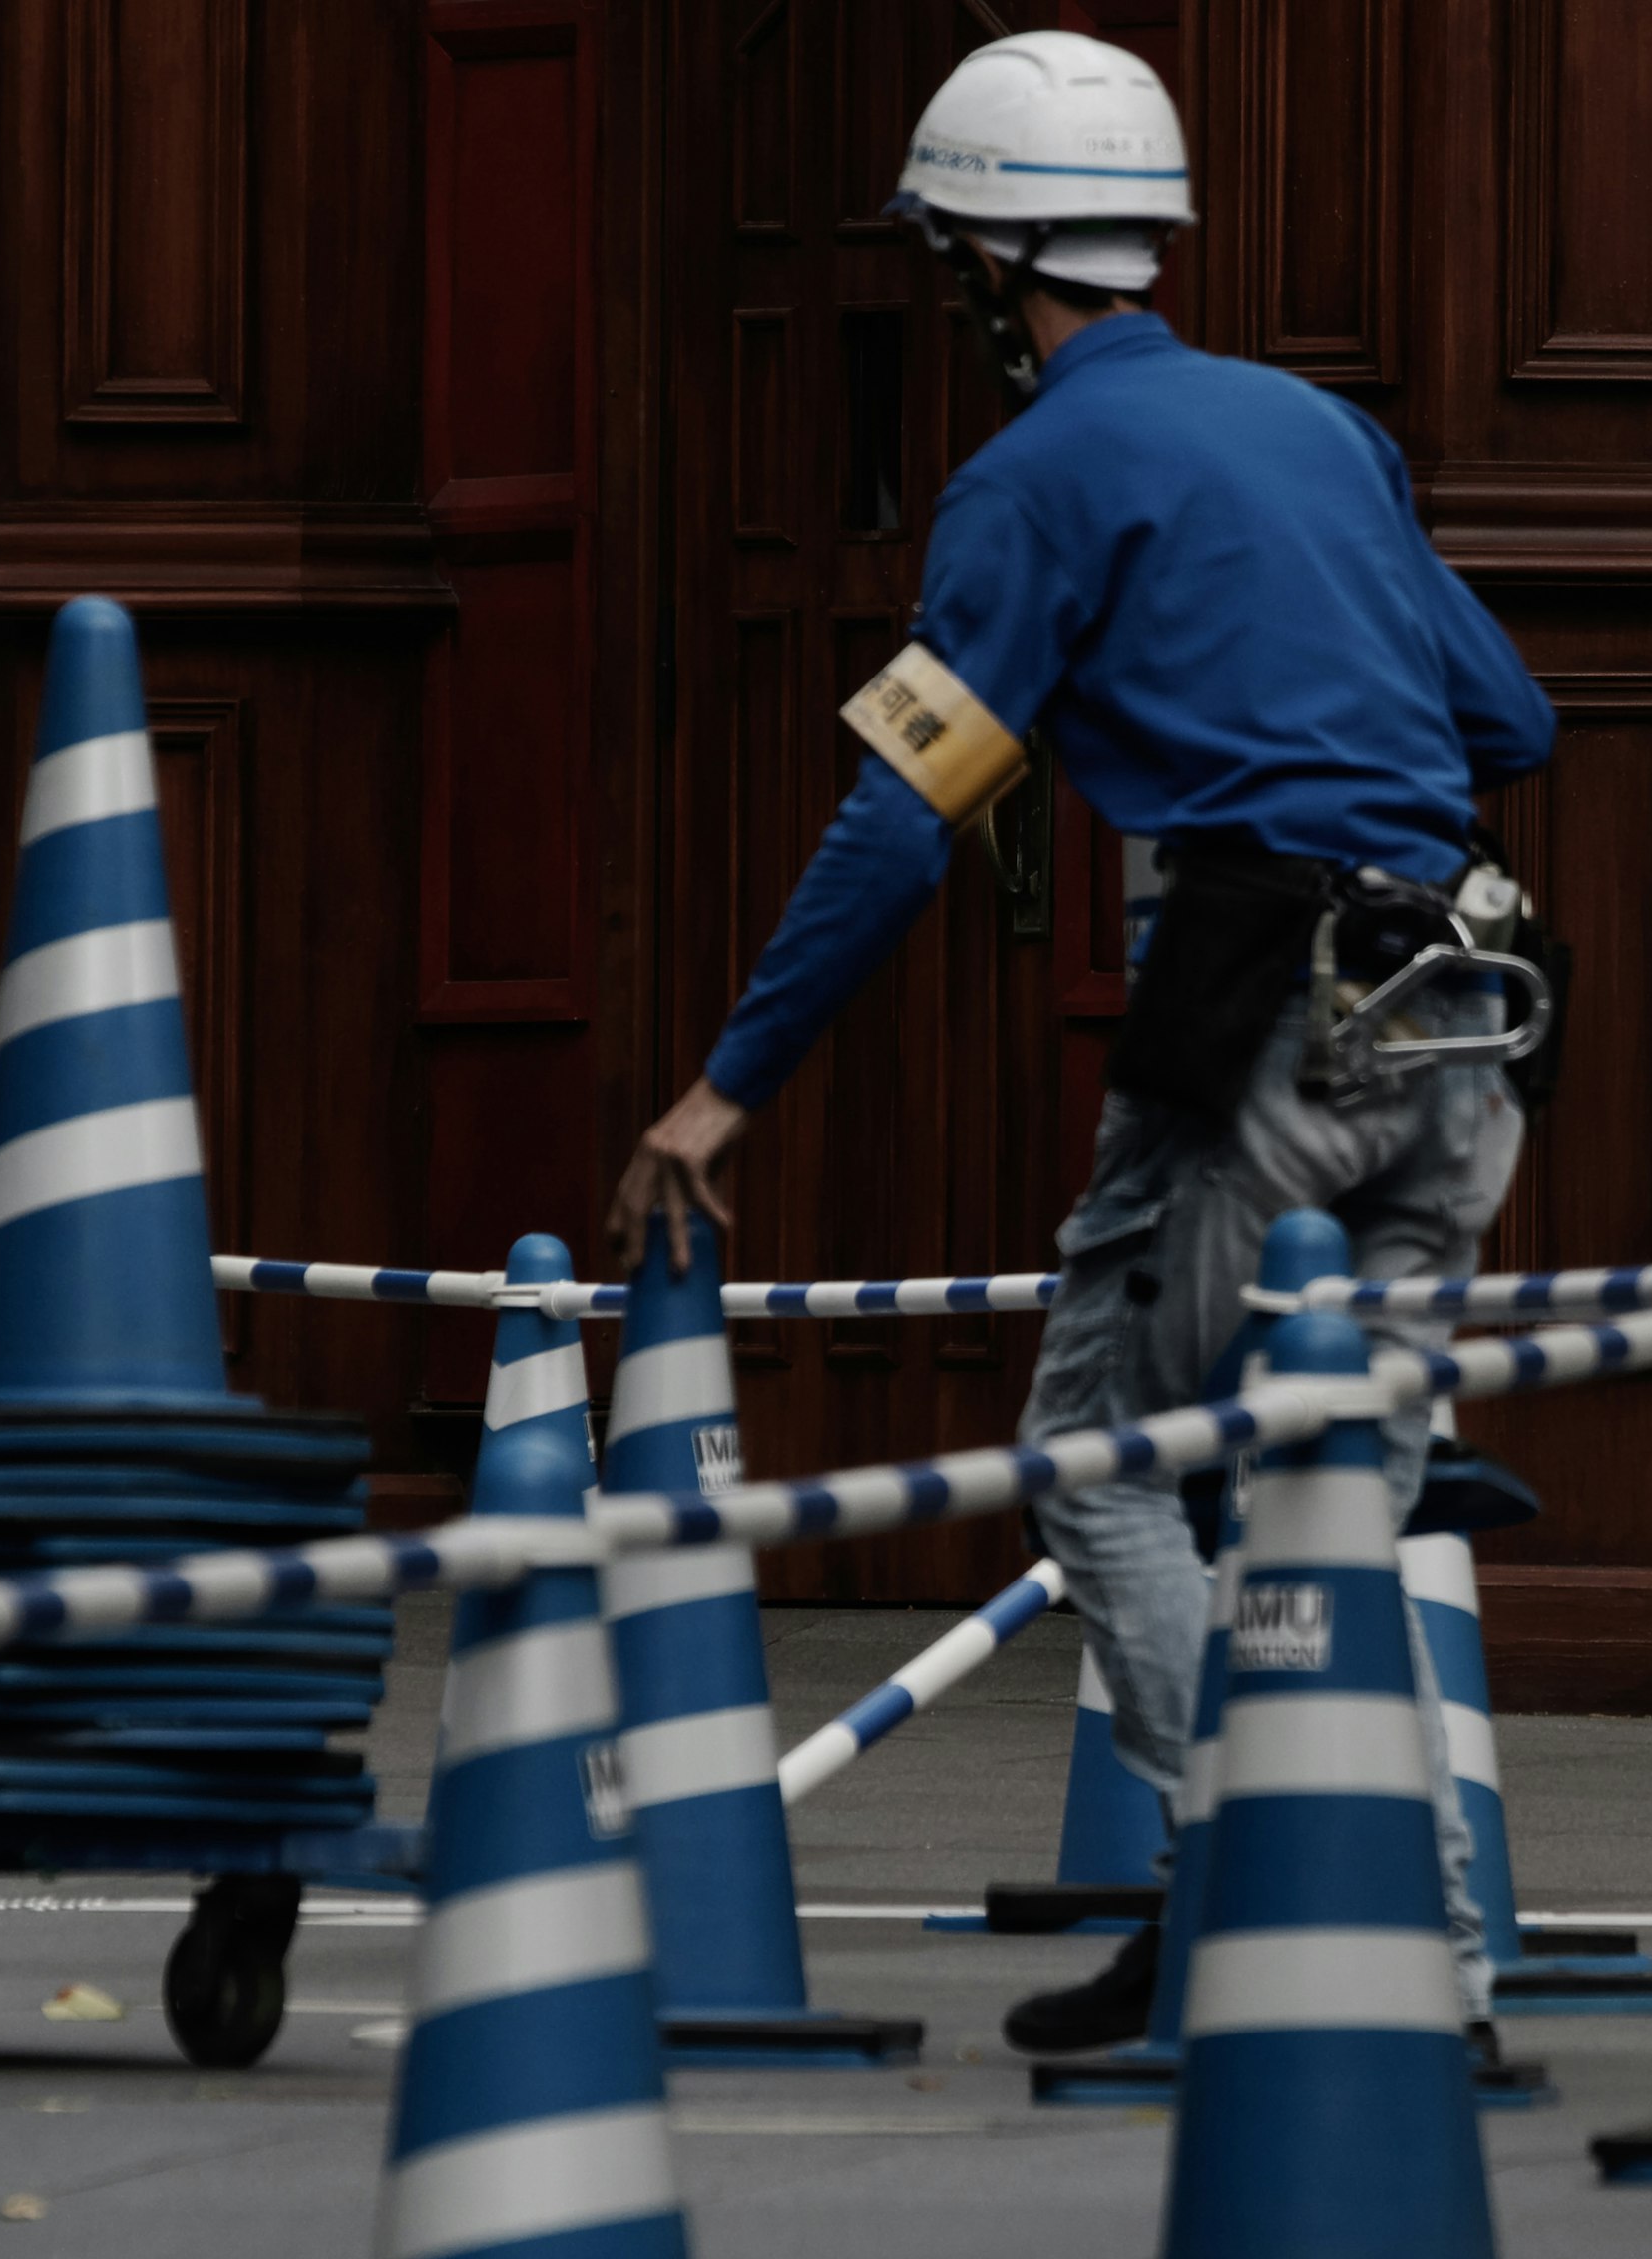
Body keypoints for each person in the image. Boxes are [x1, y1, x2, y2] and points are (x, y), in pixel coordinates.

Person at [603, 32, 1557, 2059]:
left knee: (1103, 1464)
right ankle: (1423, 1971)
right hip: (1466, 1015)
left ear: (983, 263)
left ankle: (1267, 1887)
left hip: (1266, 1014)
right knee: (1335, 1511)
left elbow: (900, 817)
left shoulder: (1028, 479)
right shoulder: (1324, 434)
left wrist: (724, 1085)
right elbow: (1516, 723)